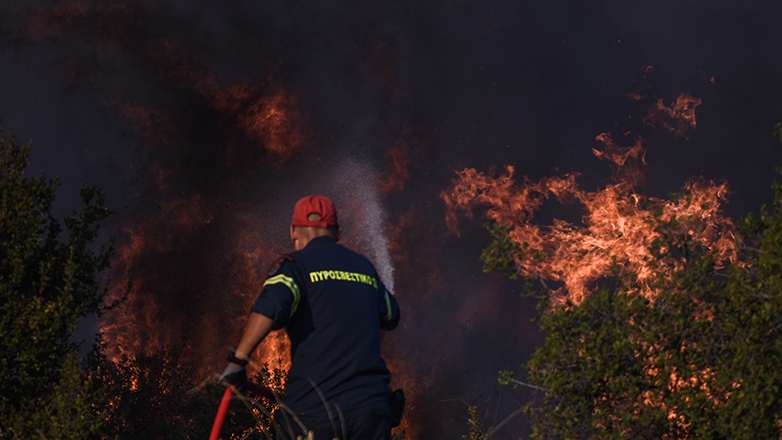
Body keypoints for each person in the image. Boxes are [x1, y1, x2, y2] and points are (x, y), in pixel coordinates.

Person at [220, 194, 401, 440]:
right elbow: (391, 315)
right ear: (337, 232)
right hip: (371, 413)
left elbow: (270, 307)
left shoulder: (295, 265)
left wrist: (237, 362)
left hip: (315, 413)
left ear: (293, 231)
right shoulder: (364, 267)